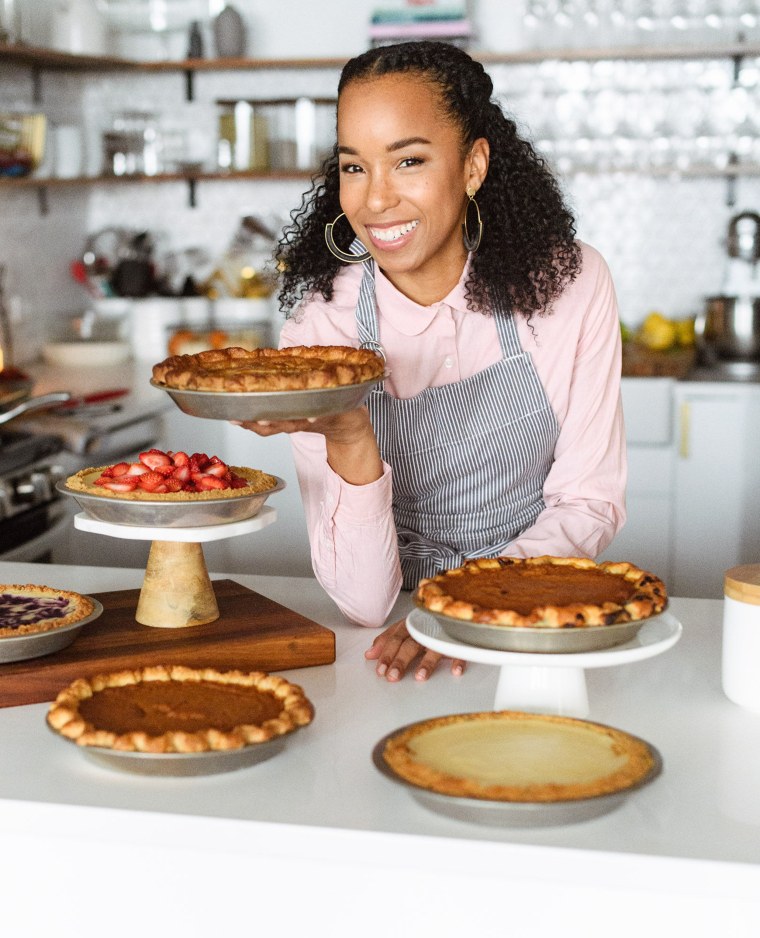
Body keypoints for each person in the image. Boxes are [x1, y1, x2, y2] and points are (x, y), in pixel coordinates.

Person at [239, 40, 626, 683]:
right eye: (354, 168)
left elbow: (587, 504)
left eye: (409, 161)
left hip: (537, 620)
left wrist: (466, 608)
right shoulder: (322, 321)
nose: (375, 201)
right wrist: (347, 429)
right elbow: (363, 603)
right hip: (387, 652)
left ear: (473, 165)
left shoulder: (569, 281)